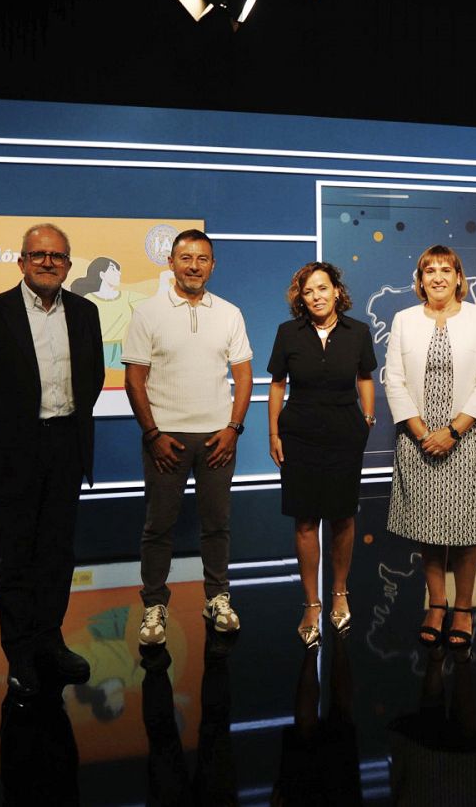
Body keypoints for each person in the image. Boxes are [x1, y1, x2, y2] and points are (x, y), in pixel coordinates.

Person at [0, 223, 105, 697]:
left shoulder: (84, 312)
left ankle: (50, 640)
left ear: (68, 265)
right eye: (37, 255)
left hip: (65, 447)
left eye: (56, 256)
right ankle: (19, 653)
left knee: (58, 556)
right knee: (17, 558)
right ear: (21, 262)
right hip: (12, 451)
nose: (47, 262)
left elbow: (93, 377)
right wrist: (6, 435)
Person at [123, 229, 253, 645]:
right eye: (185, 258)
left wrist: (233, 429)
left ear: (213, 265)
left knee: (217, 525)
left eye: (202, 259)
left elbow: (243, 375)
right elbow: (134, 379)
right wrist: (152, 434)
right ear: (171, 263)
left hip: (218, 437)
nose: (194, 266)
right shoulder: (147, 313)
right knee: (158, 527)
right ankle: (154, 606)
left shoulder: (230, 313)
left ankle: (217, 598)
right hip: (166, 439)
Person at [383, 244, 476, 649]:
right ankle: (436, 604)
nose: (437, 277)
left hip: (466, 438)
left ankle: (464, 609)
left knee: (467, 530)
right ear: (420, 280)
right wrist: (421, 432)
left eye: (445, 269)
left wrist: (452, 431)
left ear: (457, 277)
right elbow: (393, 379)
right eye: (429, 270)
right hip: (418, 439)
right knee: (429, 529)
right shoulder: (403, 319)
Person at [266, 262, 378, 648]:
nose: (316, 296)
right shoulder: (288, 333)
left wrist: (366, 419)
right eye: (308, 291)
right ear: (301, 297)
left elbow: (365, 377)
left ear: (336, 291)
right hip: (299, 436)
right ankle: (311, 603)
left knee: (343, 517)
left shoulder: (358, 332)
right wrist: (273, 432)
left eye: (322, 288)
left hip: (346, 434)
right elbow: (278, 384)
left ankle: (340, 593)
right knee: (305, 520)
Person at [67, 256, 148, 369]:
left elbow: (152, 303)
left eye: (118, 270)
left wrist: (163, 281)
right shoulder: (88, 299)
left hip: (118, 353)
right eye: (113, 269)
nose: (118, 273)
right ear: (102, 274)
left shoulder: (127, 297)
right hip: (92, 351)